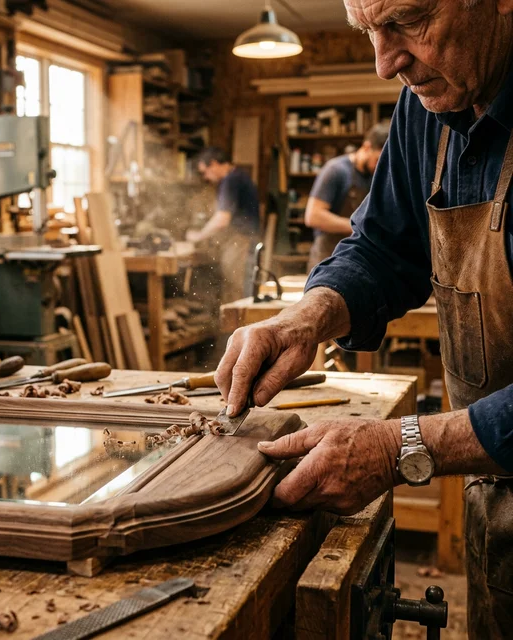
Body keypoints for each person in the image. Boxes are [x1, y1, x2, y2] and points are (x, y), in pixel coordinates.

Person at [215, 0, 513, 636]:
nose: (384, 64)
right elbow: (383, 248)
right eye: (368, 31)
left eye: (406, 21)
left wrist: (404, 444)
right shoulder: (427, 104)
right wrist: (306, 317)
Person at [305, 123, 390, 271]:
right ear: (366, 147)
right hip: (328, 257)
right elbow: (313, 216)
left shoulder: (376, 176)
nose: (378, 167)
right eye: (377, 160)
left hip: (358, 257)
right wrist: (358, 227)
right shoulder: (336, 170)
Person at [186, 147, 260, 303]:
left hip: (240, 241)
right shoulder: (239, 176)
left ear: (213, 164)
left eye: (205, 172)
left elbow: (222, 219)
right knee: (235, 288)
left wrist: (198, 236)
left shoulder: (230, 180)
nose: (206, 177)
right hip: (244, 239)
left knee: (235, 288)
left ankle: (237, 326)